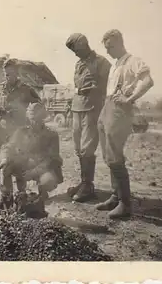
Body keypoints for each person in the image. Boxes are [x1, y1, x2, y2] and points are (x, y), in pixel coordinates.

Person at [95, 29, 154, 219]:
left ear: (120, 43)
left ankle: (125, 204)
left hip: (120, 111)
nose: (108, 51)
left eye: (110, 46)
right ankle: (115, 196)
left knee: (115, 157)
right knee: (108, 155)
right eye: (106, 48)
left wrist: (130, 100)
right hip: (107, 107)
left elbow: (148, 81)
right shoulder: (115, 65)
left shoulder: (133, 61)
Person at [65, 33, 111, 202]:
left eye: (77, 50)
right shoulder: (79, 64)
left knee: (86, 148)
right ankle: (84, 182)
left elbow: (108, 87)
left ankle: (88, 186)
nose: (76, 54)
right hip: (77, 109)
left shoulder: (102, 63)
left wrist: (94, 90)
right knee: (78, 148)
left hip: (93, 109)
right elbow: (77, 87)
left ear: (85, 44)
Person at [0, 58, 41, 199]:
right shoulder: (0, 88)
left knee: (19, 161)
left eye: (10, 73)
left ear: (17, 73)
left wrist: (32, 117)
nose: (7, 76)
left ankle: (20, 192)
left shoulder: (26, 89)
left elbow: (39, 105)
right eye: (5, 74)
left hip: (19, 131)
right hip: (2, 130)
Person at [0, 102, 64, 209]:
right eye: (31, 119)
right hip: (25, 164)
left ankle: (41, 193)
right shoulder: (21, 131)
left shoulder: (52, 135)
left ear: (42, 119)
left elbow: (51, 159)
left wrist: (33, 173)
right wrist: (4, 158)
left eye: (37, 119)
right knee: (5, 167)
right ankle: (8, 196)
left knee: (48, 180)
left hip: (43, 168)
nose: (34, 122)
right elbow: (7, 147)